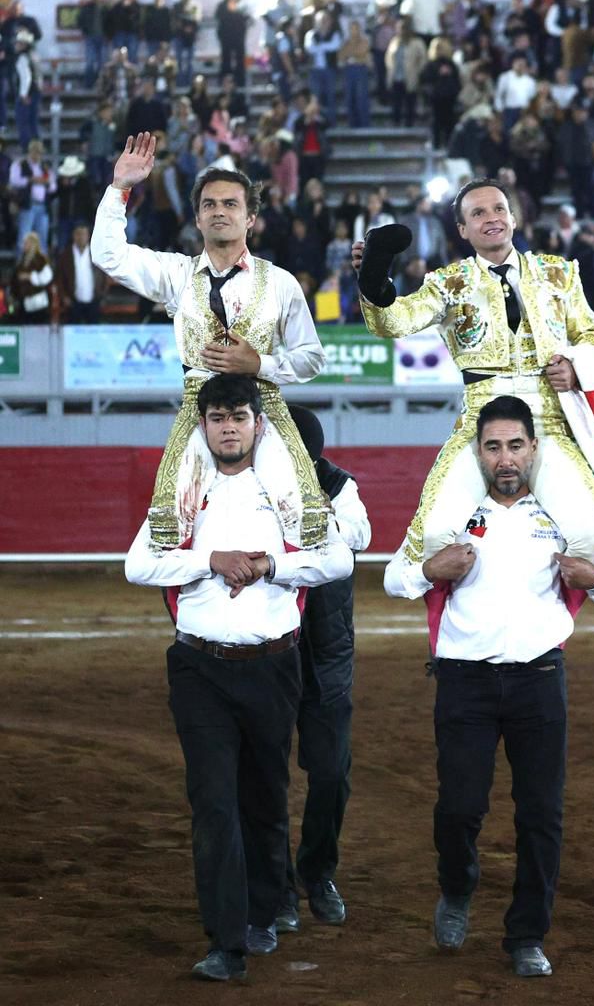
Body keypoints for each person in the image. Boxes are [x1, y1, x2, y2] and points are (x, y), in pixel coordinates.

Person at [384, 395, 594, 975]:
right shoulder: (453, 514)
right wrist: (429, 570)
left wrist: (593, 575)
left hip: (538, 680)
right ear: (479, 453)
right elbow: (394, 576)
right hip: (464, 683)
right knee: (459, 808)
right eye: (493, 447)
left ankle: (527, 936)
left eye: (516, 445)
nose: (505, 458)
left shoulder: (562, 515)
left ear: (534, 449)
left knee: (541, 814)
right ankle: (457, 887)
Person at [125, 374, 354, 983]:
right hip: (199, 669)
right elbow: (137, 564)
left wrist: (272, 565)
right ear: (202, 426)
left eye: (239, 417)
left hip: (273, 667)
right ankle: (226, 941)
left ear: (259, 423)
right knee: (213, 803)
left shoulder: (285, 491)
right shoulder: (186, 489)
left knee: (264, 796)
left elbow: (337, 559)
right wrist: (211, 561)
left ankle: (265, 909)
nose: (229, 427)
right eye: (218, 418)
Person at [352, 178, 594, 568]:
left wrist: (575, 367)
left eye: (499, 209)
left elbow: (592, 335)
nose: (492, 218)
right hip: (480, 425)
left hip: (547, 421)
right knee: (432, 535)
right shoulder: (448, 283)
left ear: (514, 218)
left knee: (592, 537)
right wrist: (373, 281)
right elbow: (394, 322)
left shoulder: (559, 273)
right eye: (478, 213)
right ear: (463, 230)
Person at [91, 136, 330, 551]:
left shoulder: (280, 283)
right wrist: (120, 188)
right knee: (168, 519)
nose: (219, 211)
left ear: (250, 218)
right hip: (199, 409)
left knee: (307, 516)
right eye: (209, 205)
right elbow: (108, 255)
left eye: (230, 204)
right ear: (198, 220)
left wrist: (259, 364)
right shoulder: (176, 274)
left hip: (264, 407)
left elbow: (312, 359)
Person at [276, 405, 371, 933]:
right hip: (270, 650)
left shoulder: (337, 485)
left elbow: (359, 534)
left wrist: (311, 509)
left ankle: (317, 873)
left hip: (328, 652)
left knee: (331, 773)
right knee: (264, 774)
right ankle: (275, 885)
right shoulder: (248, 489)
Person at [56, 222, 106, 322]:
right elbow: (59, 279)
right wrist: (64, 296)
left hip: (93, 301)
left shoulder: (96, 253)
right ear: (73, 236)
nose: (81, 237)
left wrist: (102, 295)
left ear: (88, 236)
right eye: (78, 234)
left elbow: (104, 276)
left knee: (93, 329)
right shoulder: (65, 255)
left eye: (83, 234)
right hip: (73, 302)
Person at [10, 230, 54, 323]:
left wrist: (30, 276)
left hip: (38, 302)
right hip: (24, 301)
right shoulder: (22, 260)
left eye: (26, 243)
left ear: (33, 244)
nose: (24, 245)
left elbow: (48, 277)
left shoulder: (41, 259)